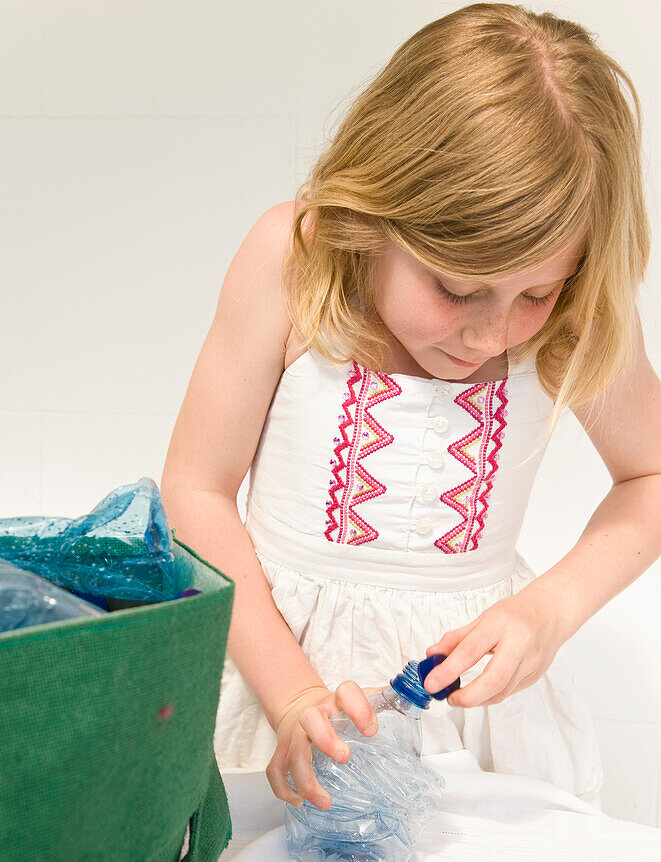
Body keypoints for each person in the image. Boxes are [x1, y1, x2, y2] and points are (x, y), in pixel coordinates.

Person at [161, 3, 660, 814]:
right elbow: (195, 491)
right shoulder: (292, 263)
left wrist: (547, 610)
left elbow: (650, 473)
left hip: (477, 723)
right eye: (455, 288)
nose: (490, 332)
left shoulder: (581, 314)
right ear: (373, 214)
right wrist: (291, 695)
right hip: (270, 677)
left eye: (533, 291)